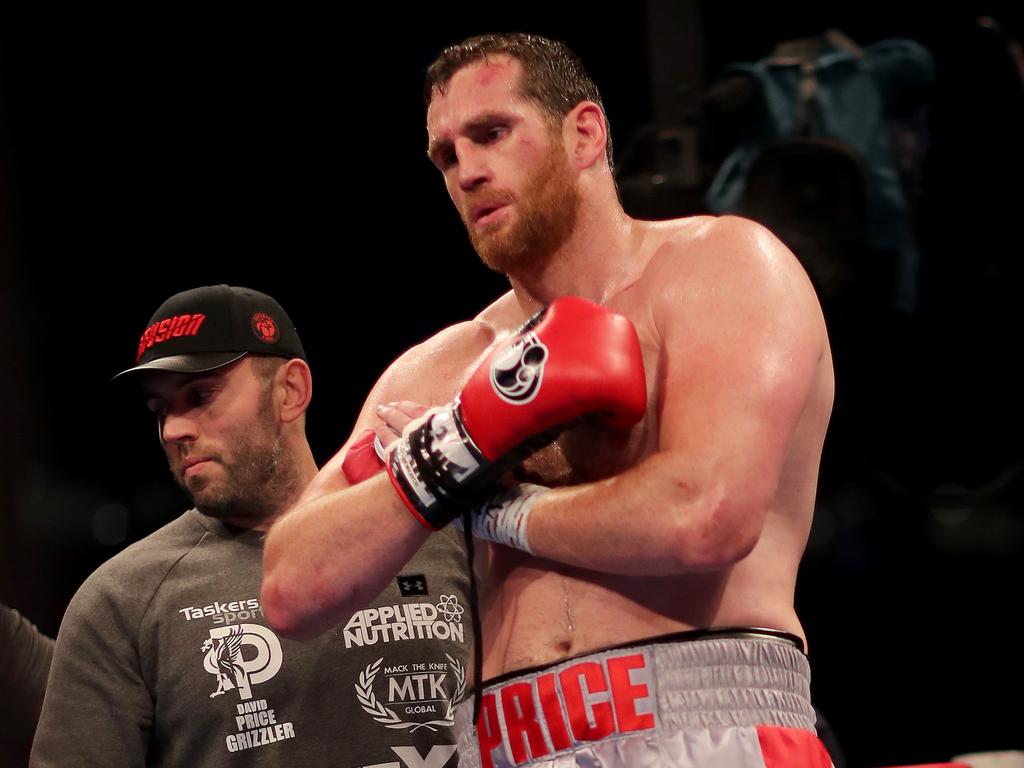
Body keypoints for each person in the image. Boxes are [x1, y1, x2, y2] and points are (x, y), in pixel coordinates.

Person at [262, 33, 836, 768]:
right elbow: (290, 588)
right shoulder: (447, 363)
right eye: (444, 156)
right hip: (507, 742)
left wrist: (491, 507)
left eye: (492, 133)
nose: (467, 172)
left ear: (585, 133)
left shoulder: (720, 267)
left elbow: (703, 517)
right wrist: (443, 460)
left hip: (706, 719)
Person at [30, 285, 470, 768]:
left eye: (200, 395)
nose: (174, 430)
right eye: (160, 410)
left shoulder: (439, 537)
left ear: (290, 391)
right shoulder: (121, 601)